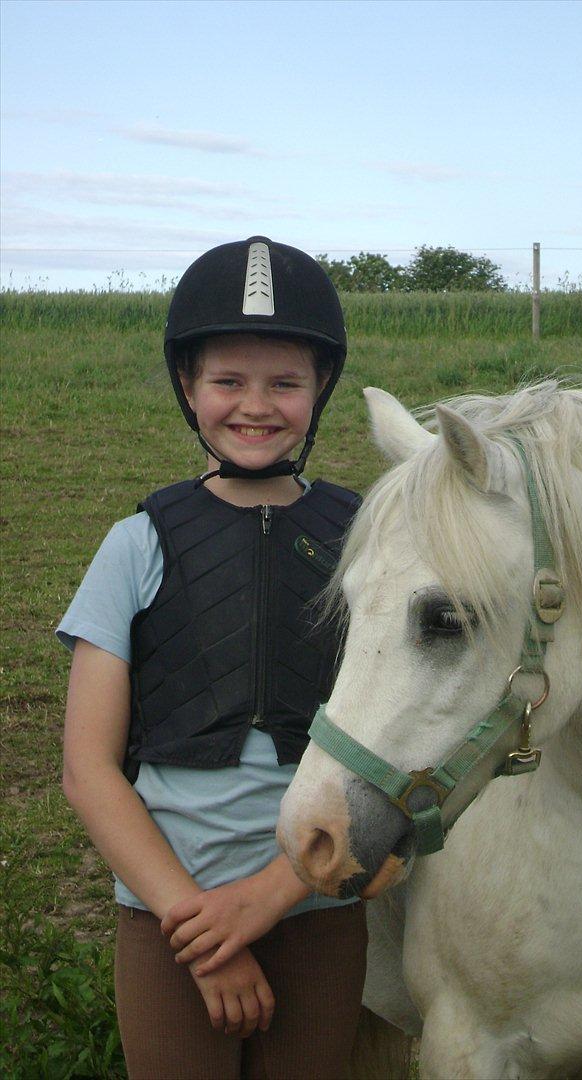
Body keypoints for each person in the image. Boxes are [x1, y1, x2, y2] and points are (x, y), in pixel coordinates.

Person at [59, 237, 366, 1079]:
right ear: (188, 387)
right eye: (229, 380)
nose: (255, 405)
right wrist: (198, 927)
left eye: (285, 383)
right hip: (171, 920)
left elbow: (392, 752)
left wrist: (271, 894)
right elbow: (88, 768)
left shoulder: (367, 539)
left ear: (320, 390)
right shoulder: (136, 543)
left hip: (314, 905)